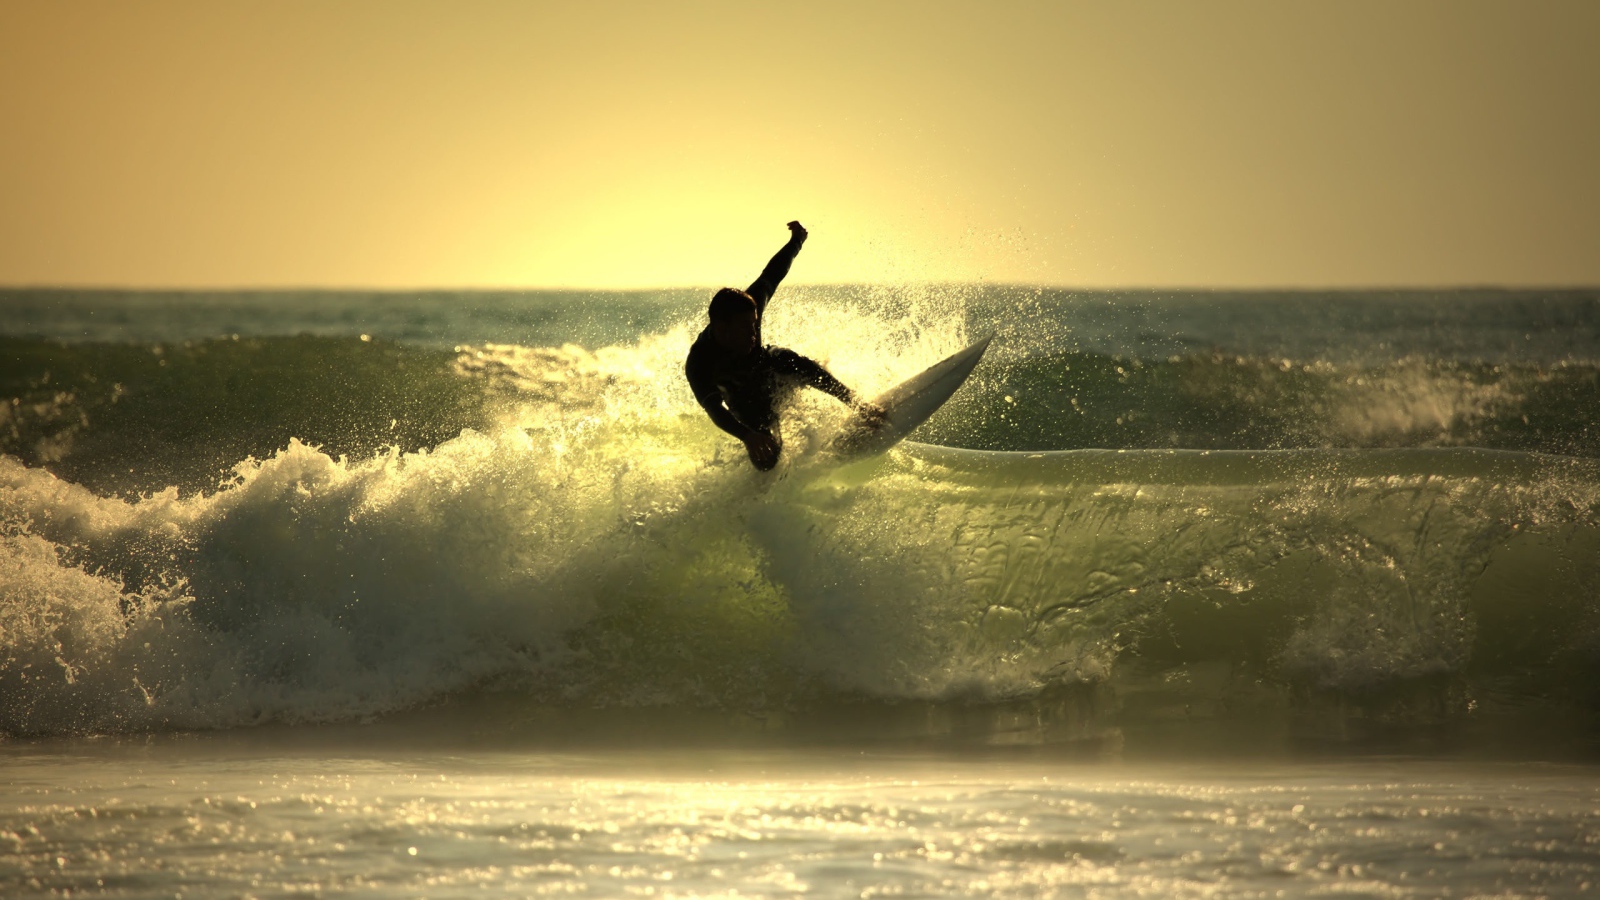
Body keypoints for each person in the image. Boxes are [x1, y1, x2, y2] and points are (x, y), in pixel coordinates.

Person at [685, 221, 883, 470]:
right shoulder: (699, 362)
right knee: (767, 459)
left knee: (789, 360)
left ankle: (859, 405)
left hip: (769, 367)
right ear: (722, 327)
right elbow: (715, 409)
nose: (753, 333)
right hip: (743, 400)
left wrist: (796, 241)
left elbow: (773, 273)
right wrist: (748, 436)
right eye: (745, 328)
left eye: (754, 325)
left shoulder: (750, 304)